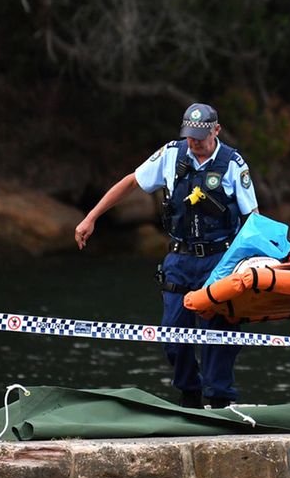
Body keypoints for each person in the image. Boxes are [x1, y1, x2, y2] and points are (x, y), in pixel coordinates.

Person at [74, 103, 258, 409]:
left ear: (216, 130)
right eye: (189, 136)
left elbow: (252, 217)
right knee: (173, 337)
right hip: (180, 258)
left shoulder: (233, 163)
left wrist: (247, 263)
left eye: (200, 136)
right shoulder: (172, 154)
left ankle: (221, 398)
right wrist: (91, 217)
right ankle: (190, 395)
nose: (194, 142)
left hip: (220, 259)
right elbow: (132, 181)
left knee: (218, 336)